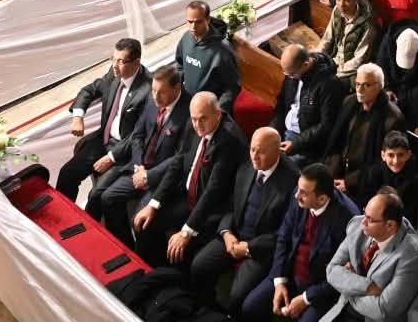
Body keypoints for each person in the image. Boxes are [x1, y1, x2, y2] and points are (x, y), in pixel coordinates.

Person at [188, 126, 301, 315]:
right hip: (233, 235)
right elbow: (231, 204)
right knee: (199, 266)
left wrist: (248, 248)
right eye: (252, 149)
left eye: (261, 152)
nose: (254, 156)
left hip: (260, 250)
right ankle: (207, 311)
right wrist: (226, 232)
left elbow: (285, 232)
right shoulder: (246, 162)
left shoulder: (292, 182)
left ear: (277, 152)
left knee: (237, 296)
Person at [129, 91, 246, 266]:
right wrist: (154, 204)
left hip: (211, 211)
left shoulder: (229, 140)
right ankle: (153, 271)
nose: (197, 125)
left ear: (218, 114)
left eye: (203, 119)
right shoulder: (194, 123)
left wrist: (186, 231)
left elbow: (213, 191)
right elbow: (177, 163)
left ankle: (173, 275)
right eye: (194, 119)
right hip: (186, 196)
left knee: (183, 255)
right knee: (143, 222)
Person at [247, 162, 359, 322]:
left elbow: (342, 273)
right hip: (289, 273)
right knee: (250, 307)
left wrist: (306, 298)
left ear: (322, 199)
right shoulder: (300, 194)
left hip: (320, 288)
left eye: (303, 193)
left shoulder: (348, 220)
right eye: (298, 189)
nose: (296, 195)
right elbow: (283, 237)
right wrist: (280, 281)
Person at [93, 65, 190, 243]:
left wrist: (148, 176)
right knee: (108, 198)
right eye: (153, 91)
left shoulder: (189, 112)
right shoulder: (152, 100)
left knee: (140, 221)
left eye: (161, 92)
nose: (155, 97)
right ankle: (124, 245)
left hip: (162, 178)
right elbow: (137, 135)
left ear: (177, 88)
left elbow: (180, 157)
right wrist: (139, 167)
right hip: (139, 167)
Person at [57, 38, 151, 210]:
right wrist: (78, 116)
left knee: (96, 196)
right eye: (113, 59)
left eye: (121, 61)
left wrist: (111, 157)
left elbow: (139, 134)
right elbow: (89, 90)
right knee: (67, 173)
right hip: (104, 140)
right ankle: (63, 215)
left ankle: (89, 223)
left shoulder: (147, 89)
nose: (115, 65)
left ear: (136, 62)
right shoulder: (114, 73)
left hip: (125, 151)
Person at [321, 190, 418, 322]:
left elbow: (383, 310)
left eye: (370, 219)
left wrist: (347, 286)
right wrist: (368, 287)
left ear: (389, 225)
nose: (363, 222)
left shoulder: (412, 257)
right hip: (341, 309)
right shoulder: (357, 226)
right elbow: (331, 270)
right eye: (364, 213)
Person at [322, 62, 405, 201]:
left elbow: (385, 163)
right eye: (357, 84)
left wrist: (349, 183)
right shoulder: (349, 102)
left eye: (366, 85)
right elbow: (336, 142)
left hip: (364, 183)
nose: (359, 90)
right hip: (339, 172)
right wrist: (331, 173)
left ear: (380, 86)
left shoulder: (392, 118)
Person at [274, 45, 341, 160]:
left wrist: (296, 144)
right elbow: (281, 104)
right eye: (286, 74)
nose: (290, 77)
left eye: (292, 74)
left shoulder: (329, 83)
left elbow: (326, 125)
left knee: (279, 165)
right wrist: (273, 130)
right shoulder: (292, 71)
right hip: (285, 131)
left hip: (305, 143)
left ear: (306, 64)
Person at [176, 0, 240, 113]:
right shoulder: (186, 38)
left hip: (211, 111)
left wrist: (219, 109)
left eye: (198, 22)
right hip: (189, 105)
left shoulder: (222, 50)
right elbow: (180, 64)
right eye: (190, 22)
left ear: (208, 20)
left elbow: (232, 86)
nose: (193, 27)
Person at [319, 0, 379, 83]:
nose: (341, 4)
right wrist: (317, 57)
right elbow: (327, 39)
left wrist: (334, 73)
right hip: (334, 60)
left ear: (355, 0)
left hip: (351, 71)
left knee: (324, 85)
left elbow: (359, 60)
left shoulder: (367, 24)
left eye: (346, 0)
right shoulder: (337, 10)